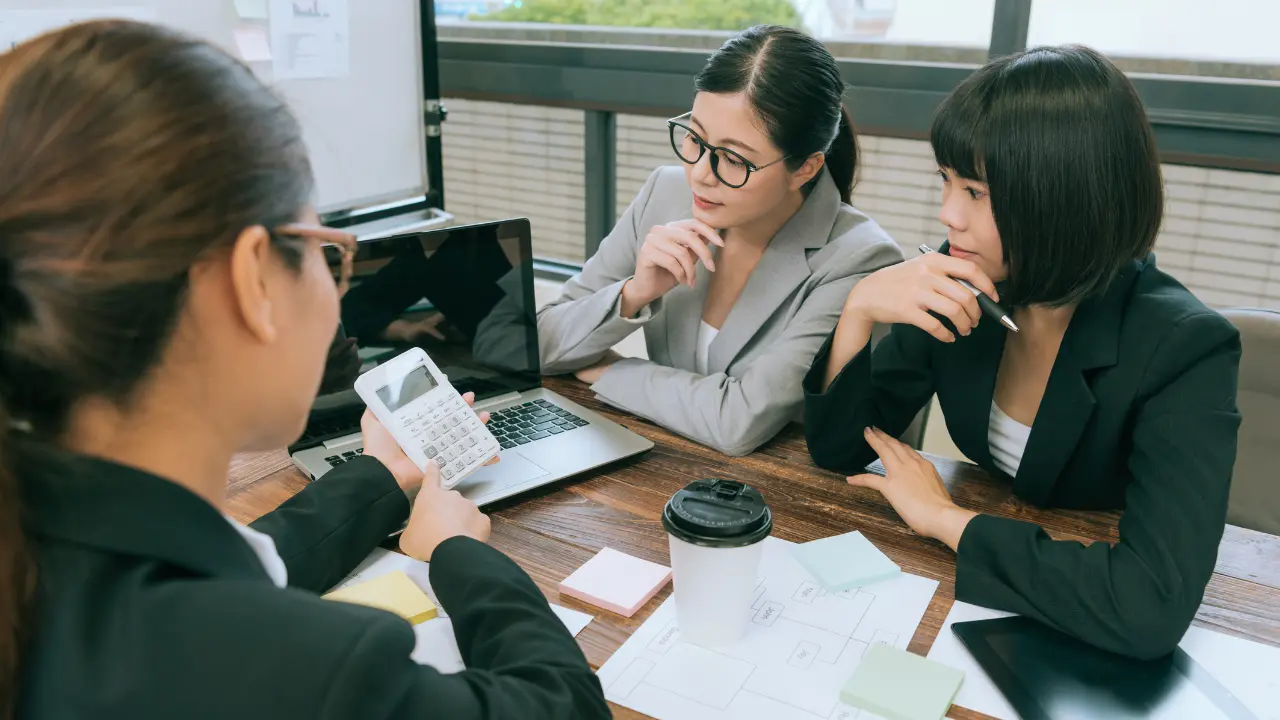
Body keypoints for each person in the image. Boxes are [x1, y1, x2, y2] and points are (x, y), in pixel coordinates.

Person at [0, 21, 608, 719]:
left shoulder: (50, 537)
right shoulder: (299, 672)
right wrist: (459, 555)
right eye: (326, 252)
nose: (336, 289)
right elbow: (560, 706)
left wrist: (385, 477)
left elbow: (243, 557)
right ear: (254, 279)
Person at [803, 45, 1242, 660]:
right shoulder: (966, 283)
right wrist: (859, 310)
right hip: (977, 607)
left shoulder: (1184, 347)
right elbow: (840, 449)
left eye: (976, 191)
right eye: (947, 181)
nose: (947, 213)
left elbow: (1149, 606)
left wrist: (945, 519)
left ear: (1061, 197)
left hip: (1081, 632)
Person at [537, 25, 903, 457]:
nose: (701, 174)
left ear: (805, 167)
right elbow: (541, 342)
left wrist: (613, 373)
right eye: (695, 138)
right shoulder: (665, 193)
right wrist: (635, 293)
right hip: (658, 463)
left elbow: (739, 421)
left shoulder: (858, 257)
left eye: (734, 159)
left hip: (774, 497)